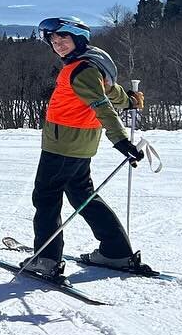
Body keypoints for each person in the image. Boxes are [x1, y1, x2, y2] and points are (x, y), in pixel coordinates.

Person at [20, 17, 146, 278]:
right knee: (82, 195)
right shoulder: (93, 65)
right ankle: (115, 251)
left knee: (46, 197)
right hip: (80, 144)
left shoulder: (80, 70)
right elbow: (111, 93)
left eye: (63, 39)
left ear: (78, 39)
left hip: (62, 145)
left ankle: (46, 259)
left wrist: (121, 140)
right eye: (53, 41)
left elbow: (102, 106)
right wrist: (131, 101)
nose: (58, 45)